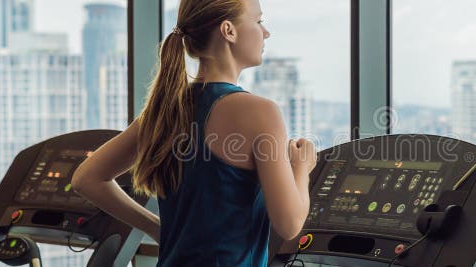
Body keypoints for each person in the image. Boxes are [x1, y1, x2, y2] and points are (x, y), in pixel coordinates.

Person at [70, 0, 316, 265]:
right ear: (228, 31)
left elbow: (86, 178)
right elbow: (289, 224)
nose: (265, 32)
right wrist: (301, 168)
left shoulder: (164, 110)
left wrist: (155, 227)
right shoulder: (260, 112)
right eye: (258, 21)